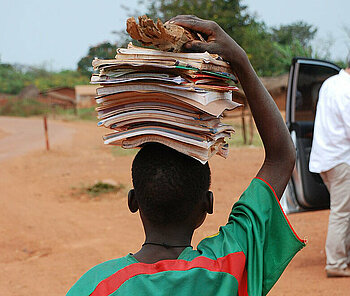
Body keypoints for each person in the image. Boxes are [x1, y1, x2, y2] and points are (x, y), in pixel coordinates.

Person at [67, 15, 305, 295]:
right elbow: (281, 158)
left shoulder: (95, 286)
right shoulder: (231, 264)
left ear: (133, 202)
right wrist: (240, 60)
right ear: (207, 205)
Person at [309, 55, 350, 277]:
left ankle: (344, 255)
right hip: (342, 159)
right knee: (342, 212)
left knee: (344, 210)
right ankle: (335, 263)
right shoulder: (347, 90)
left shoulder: (331, 83)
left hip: (326, 158)